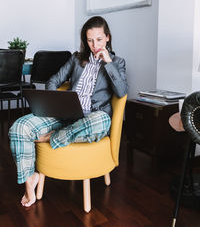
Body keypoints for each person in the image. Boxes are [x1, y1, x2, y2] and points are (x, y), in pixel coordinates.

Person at [8, 16, 128, 207]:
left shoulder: (117, 62)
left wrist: (108, 62)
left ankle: (53, 137)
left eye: (98, 39)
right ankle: (30, 179)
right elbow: (54, 80)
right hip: (65, 114)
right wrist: (54, 101)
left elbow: (122, 92)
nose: (94, 45)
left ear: (107, 38)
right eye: (89, 40)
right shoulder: (76, 58)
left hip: (92, 118)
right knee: (19, 126)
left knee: (102, 121)